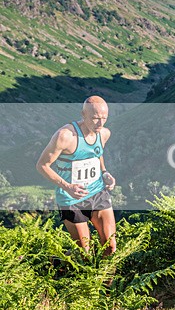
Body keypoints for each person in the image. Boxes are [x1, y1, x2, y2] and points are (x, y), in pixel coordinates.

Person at [36, 96, 117, 255]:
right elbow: (42, 165)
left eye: (104, 118)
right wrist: (67, 186)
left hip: (97, 192)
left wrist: (104, 172)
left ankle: (106, 280)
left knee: (110, 246)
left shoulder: (104, 133)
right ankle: (57, 263)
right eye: (95, 119)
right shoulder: (65, 136)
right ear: (83, 114)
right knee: (85, 253)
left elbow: (96, 153)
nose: (100, 124)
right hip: (71, 199)